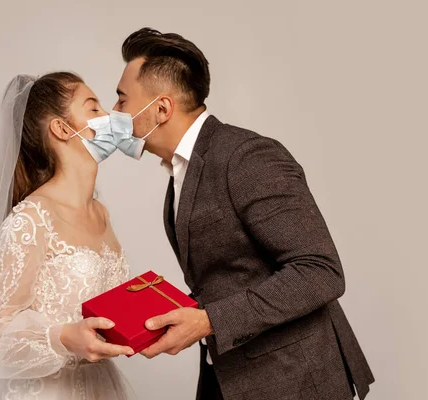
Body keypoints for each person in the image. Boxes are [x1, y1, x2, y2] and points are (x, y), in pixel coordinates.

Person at [113, 28, 375, 400]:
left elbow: (321, 271)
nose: (115, 113)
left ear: (161, 108)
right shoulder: (182, 170)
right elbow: (228, 275)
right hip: (229, 374)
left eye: (122, 99)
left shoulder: (246, 157)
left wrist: (207, 321)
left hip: (294, 381)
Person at [0, 72, 135, 400]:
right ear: (62, 129)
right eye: (93, 108)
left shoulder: (102, 213)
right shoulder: (31, 219)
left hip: (100, 388)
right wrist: (63, 337)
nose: (109, 116)